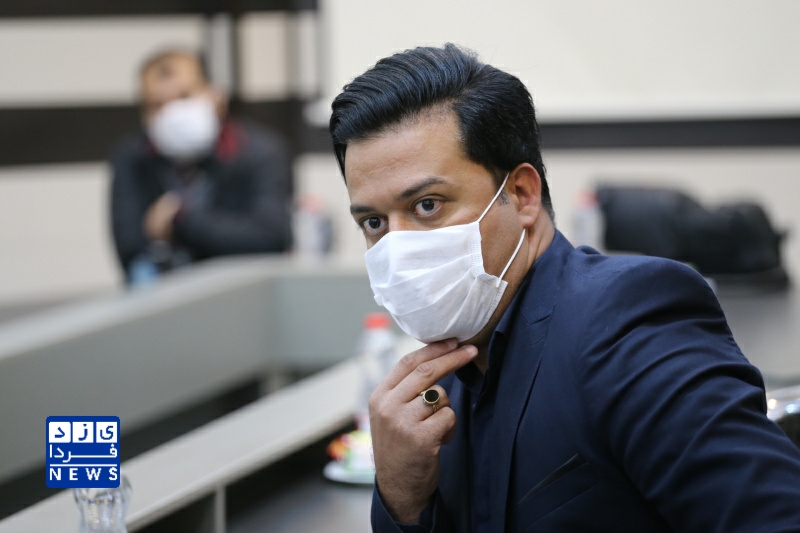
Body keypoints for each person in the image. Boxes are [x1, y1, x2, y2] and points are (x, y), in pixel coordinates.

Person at [329, 44, 800, 532]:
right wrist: (401, 498)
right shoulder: (438, 390)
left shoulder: (627, 322)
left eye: (428, 205)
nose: (398, 247)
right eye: (373, 222)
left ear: (522, 194)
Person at [110, 49, 292, 283]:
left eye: (184, 97)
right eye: (157, 104)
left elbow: (270, 237)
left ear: (216, 95)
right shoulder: (133, 157)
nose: (171, 113)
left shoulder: (261, 152)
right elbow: (131, 249)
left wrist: (180, 221)